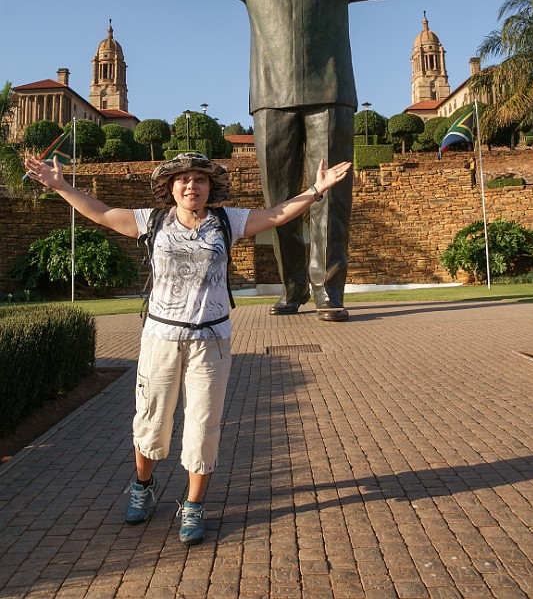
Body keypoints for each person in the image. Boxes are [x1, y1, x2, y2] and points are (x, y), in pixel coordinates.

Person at [91, 0, 508, 321]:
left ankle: (329, 292)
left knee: (332, 199)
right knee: (280, 203)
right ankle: (292, 289)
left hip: (330, 95)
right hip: (270, 98)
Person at [23, 151, 350, 546]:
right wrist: (61, 186)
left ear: (210, 188)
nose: (191, 186)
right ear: (170, 187)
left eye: (199, 179)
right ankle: (143, 485)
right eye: (183, 179)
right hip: (160, 337)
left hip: (210, 341)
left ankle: (193, 505)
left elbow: (279, 214)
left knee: (203, 424)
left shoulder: (228, 221)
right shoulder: (153, 220)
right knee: (152, 420)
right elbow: (103, 213)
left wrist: (318, 189)